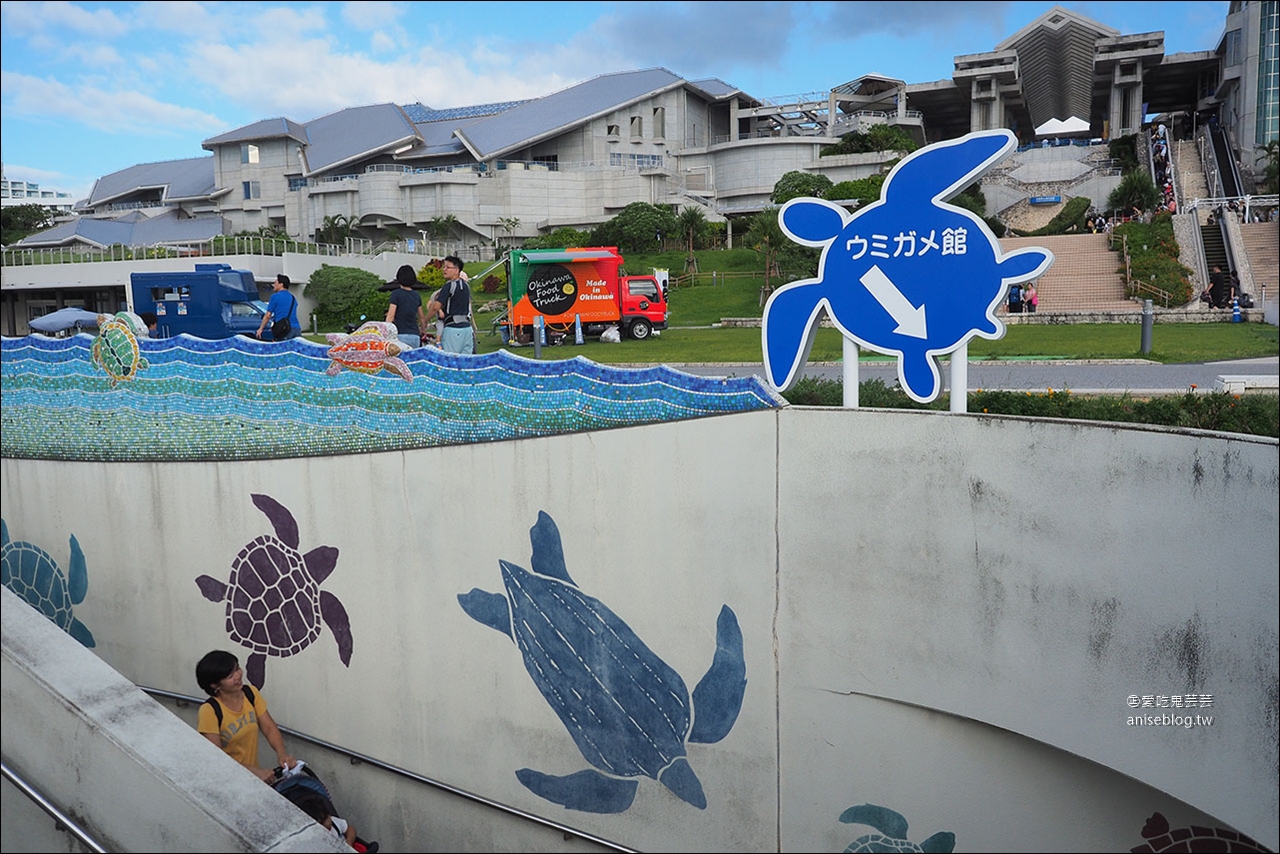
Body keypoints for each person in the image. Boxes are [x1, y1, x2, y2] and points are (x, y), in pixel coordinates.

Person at [195, 650, 296, 783]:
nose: (238, 676)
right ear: (215, 685)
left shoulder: (250, 693)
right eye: (230, 676)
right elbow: (217, 757)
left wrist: (282, 754)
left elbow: (269, 728)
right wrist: (254, 772)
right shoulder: (209, 711)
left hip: (251, 779)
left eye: (237, 668)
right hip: (226, 781)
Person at [428, 255, 474, 354]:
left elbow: (436, 307)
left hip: (453, 328)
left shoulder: (449, 285)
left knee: (450, 361)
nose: (444, 270)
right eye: (444, 267)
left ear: (456, 270)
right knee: (466, 362)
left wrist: (425, 320)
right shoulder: (466, 286)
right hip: (467, 329)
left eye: (448, 267)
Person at [384, 264, 427, 349]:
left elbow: (391, 315)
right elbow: (421, 316)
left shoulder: (396, 294)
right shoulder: (416, 295)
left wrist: (386, 330)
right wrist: (423, 330)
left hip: (400, 335)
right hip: (415, 336)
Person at [256, 274, 300, 341]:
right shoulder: (293, 298)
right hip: (296, 328)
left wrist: (260, 329)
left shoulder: (275, 297)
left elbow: (268, 316)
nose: (274, 285)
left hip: (284, 330)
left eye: (275, 283)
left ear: (281, 284)